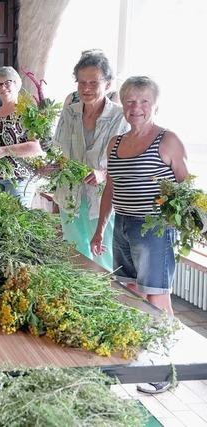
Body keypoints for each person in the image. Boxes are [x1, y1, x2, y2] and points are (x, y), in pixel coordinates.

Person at [90, 76, 188, 394]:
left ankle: (167, 367)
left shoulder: (167, 140)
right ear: (123, 105)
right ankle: (141, 356)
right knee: (131, 294)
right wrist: (100, 227)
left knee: (157, 297)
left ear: (155, 104)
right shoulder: (115, 143)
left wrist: (178, 225)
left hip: (154, 230)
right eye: (130, 101)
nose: (137, 108)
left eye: (144, 101)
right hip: (123, 226)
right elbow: (110, 188)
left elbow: (186, 190)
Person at [52, 50, 129, 271]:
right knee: (75, 257)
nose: (86, 89)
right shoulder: (69, 113)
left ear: (108, 83)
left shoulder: (120, 117)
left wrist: (102, 174)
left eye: (93, 83)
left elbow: (126, 164)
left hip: (102, 200)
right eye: (81, 82)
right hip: (70, 197)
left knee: (103, 258)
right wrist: (50, 166)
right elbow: (59, 153)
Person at [0, 66, 44, 207]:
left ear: (17, 83)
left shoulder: (28, 113)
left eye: (7, 83)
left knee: (16, 221)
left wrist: (4, 151)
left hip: (18, 177)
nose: (2, 88)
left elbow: (36, 148)